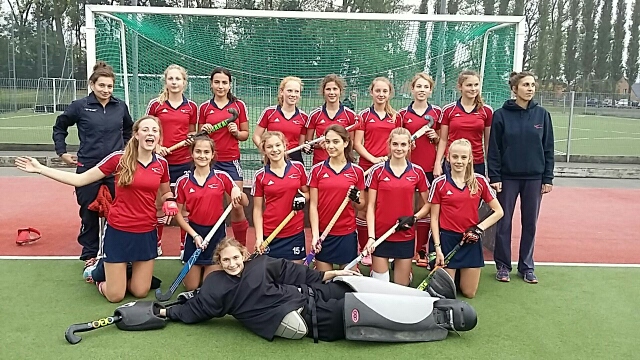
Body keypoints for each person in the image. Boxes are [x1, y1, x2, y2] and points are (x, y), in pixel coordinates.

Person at [154, 237, 476, 343]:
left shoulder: (261, 263)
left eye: (236, 257)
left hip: (314, 295)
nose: (232, 263)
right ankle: (435, 319)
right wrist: (167, 312)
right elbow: (196, 310)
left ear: (244, 254)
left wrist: (330, 274)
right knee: (360, 311)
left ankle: (430, 298)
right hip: (308, 316)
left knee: (350, 286)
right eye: (226, 260)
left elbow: (295, 271)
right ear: (220, 262)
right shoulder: (216, 287)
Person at [17, 116, 176, 303]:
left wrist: (170, 201)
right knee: (115, 295)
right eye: (145, 130)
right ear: (136, 135)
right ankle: (97, 275)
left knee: (140, 291)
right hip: (119, 230)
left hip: (146, 231)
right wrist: (41, 169)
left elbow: (166, 193)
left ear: (159, 137)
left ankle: (122, 271)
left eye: (155, 131)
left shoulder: (162, 164)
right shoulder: (119, 159)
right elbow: (80, 180)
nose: (150, 133)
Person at [52, 61, 134, 269]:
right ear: (92, 84)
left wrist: (124, 151)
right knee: (88, 212)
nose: (106, 90)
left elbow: (129, 130)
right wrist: (61, 152)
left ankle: (116, 251)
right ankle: (90, 254)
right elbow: (60, 127)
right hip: (88, 166)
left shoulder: (120, 106)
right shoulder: (79, 106)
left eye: (109, 86)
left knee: (117, 211)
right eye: (102, 85)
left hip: (116, 169)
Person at [487, 71, 554, 284]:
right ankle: (503, 266)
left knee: (530, 223)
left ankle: (526, 267)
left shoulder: (542, 115)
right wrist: (495, 176)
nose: (530, 88)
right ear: (515, 89)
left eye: (532, 85)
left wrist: (548, 178)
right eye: (525, 85)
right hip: (507, 178)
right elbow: (494, 149)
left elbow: (548, 148)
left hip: (534, 179)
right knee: (504, 222)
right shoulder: (501, 115)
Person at [429, 139, 504, 298]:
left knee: (469, 293)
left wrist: (478, 229)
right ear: (448, 157)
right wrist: (438, 248)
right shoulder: (439, 183)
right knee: (448, 294)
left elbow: (498, 211)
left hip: (470, 240)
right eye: (455, 157)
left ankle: (455, 275)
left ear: (470, 158)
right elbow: (434, 218)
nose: (459, 161)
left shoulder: (480, 181)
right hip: (447, 241)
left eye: (464, 157)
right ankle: (446, 271)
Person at [174, 137, 249, 290]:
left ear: (213, 154)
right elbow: (178, 214)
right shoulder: (183, 181)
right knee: (192, 287)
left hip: (216, 234)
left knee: (210, 286)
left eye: (207, 152)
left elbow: (245, 203)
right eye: (198, 151)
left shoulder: (222, 177)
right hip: (195, 234)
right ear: (192, 154)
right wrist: (194, 235)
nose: (202, 155)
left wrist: (237, 191)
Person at [362, 128, 431, 286]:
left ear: (409, 146)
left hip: (405, 235)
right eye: (395, 144)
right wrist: (371, 237)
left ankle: (404, 274)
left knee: (401, 287)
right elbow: (370, 206)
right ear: (389, 145)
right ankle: (377, 272)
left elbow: (428, 205)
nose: (399, 148)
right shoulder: (377, 171)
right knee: (381, 287)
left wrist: (413, 218)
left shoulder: (417, 172)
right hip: (381, 235)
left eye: (403, 144)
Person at [146, 64, 198, 256]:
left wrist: (191, 138)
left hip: (183, 161)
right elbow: (148, 129)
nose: (174, 82)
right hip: (160, 162)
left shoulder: (191, 107)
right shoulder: (156, 105)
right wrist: (157, 146)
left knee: (184, 207)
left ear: (184, 82)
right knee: (159, 204)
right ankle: (157, 243)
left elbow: (192, 131)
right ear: (165, 81)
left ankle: (185, 246)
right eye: (171, 79)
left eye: (178, 79)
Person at [198, 67, 250, 248]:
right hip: (208, 163)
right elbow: (199, 138)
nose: (220, 86)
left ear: (230, 85)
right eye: (217, 82)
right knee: (206, 208)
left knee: (236, 205)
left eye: (224, 83)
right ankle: (208, 245)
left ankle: (241, 248)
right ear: (211, 84)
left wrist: (237, 132)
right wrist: (204, 132)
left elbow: (245, 135)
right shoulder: (204, 107)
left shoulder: (239, 106)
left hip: (230, 161)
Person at [353, 77, 401, 266]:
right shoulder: (364, 116)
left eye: (385, 91)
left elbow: (400, 142)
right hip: (368, 167)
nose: (381, 94)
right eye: (377, 91)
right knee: (364, 210)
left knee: (386, 209)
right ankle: (366, 248)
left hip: (389, 168)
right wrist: (373, 159)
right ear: (371, 92)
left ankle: (385, 246)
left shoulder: (397, 117)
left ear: (390, 94)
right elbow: (357, 143)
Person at [308, 125, 366, 271]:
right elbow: (313, 206)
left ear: (345, 143)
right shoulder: (317, 170)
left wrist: (356, 198)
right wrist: (315, 236)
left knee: (347, 283)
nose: (330, 146)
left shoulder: (356, 171)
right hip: (324, 234)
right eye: (327, 142)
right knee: (323, 285)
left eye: (335, 142)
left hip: (346, 234)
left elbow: (361, 206)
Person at [398, 72, 442, 267]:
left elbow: (443, 140)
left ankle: (421, 249)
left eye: (426, 87)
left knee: (427, 208)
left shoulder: (437, 114)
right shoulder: (403, 114)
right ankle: (403, 245)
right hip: (408, 169)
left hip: (430, 168)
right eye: (418, 87)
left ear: (430, 90)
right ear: (412, 89)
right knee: (410, 208)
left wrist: (435, 137)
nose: (422, 90)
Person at [252, 131, 309, 263]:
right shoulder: (261, 176)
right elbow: (257, 209)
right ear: (264, 150)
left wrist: (302, 198)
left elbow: (308, 193)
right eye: (269, 147)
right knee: (273, 277)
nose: (275, 150)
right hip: (271, 233)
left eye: (278, 145)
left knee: (295, 277)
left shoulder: (298, 168)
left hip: (294, 231)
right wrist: (259, 237)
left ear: (285, 146)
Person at [434, 70, 493, 177]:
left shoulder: (487, 111)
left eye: (476, 85)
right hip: (452, 162)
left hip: (476, 163)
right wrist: (437, 163)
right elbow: (443, 139)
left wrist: (491, 168)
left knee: (474, 193)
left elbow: (488, 143)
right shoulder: (448, 110)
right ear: (460, 87)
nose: (473, 89)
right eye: (469, 85)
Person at [252, 77, 310, 164]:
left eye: (296, 91)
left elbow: (301, 144)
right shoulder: (269, 112)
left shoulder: (304, 117)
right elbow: (256, 136)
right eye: (289, 91)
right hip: (273, 159)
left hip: (294, 160)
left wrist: (306, 147)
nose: (293, 94)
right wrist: (267, 151)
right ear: (282, 92)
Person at [305, 74, 358, 166]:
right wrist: (320, 145)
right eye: (328, 89)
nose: (332, 92)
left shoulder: (350, 115)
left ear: (340, 91)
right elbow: (309, 143)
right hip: (320, 163)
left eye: (335, 89)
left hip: (343, 163)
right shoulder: (315, 115)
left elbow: (351, 143)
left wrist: (334, 144)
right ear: (323, 92)